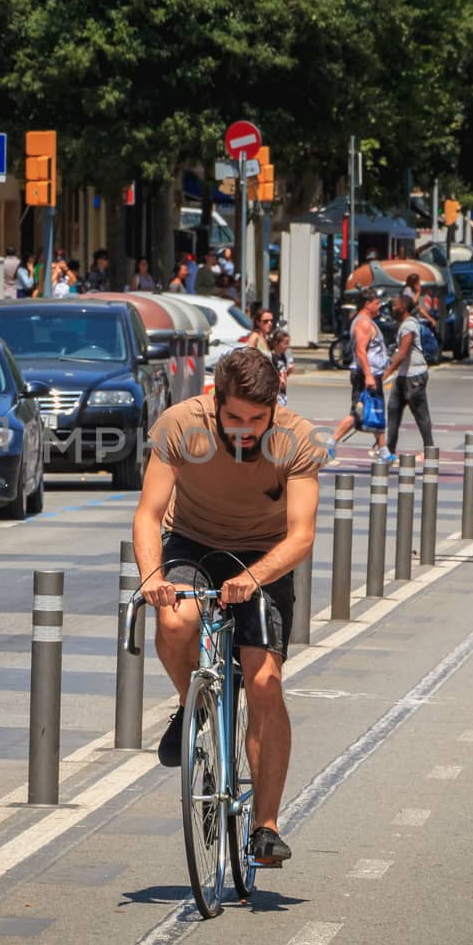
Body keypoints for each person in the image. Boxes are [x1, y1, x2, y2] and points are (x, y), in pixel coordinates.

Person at [134, 348, 325, 868]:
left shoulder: (297, 440)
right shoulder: (179, 424)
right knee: (175, 620)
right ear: (216, 401)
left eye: (257, 420)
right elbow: (150, 514)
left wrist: (253, 576)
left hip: (266, 554)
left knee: (264, 681)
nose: (245, 429)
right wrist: (152, 577)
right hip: (192, 542)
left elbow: (302, 535)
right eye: (235, 417)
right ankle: (191, 705)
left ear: (274, 406)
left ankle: (266, 826)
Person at [329, 289, 390, 461]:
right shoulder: (363, 323)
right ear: (367, 303)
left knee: (375, 411)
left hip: (371, 374)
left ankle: (384, 451)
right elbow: (361, 351)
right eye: (377, 303)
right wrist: (369, 376)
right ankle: (330, 443)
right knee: (358, 413)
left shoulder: (367, 321)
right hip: (365, 375)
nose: (379, 307)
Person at [383, 294, 435, 459]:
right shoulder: (404, 324)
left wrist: (387, 372)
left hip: (414, 376)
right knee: (393, 410)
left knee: (420, 413)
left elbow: (403, 352)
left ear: (403, 308)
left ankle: (429, 450)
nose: (392, 308)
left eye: (395, 305)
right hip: (404, 375)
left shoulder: (409, 326)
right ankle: (389, 450)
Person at [271, 331, 294, 405]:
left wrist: (289, 371)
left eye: (288, 343)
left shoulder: (283, 356)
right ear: (276, 343)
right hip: (275, 393)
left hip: (283, 392)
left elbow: (283, 373)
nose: (287, 346)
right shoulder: (271, 357)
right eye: (285, 343)